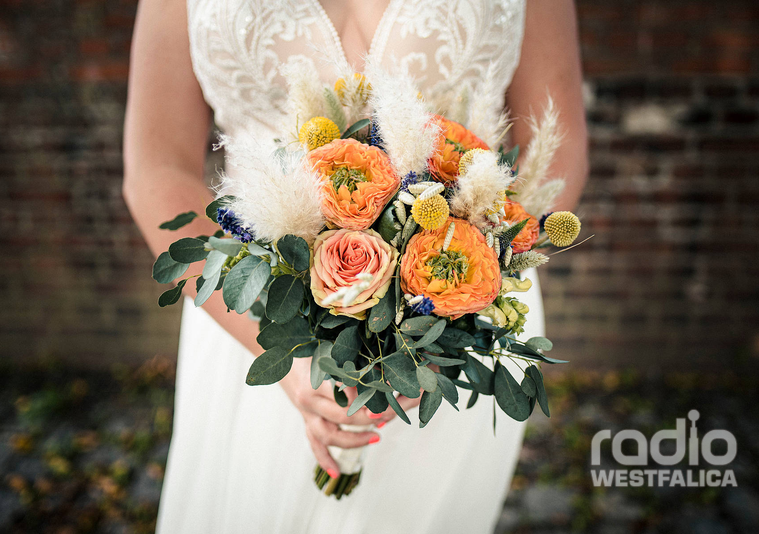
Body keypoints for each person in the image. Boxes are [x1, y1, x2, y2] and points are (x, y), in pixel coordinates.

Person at [123, 0, 587, 531]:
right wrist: (280, 352)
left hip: (456, 341)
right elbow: (156, 166)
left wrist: (451, 317)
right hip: (250, 320)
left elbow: (556, 145)